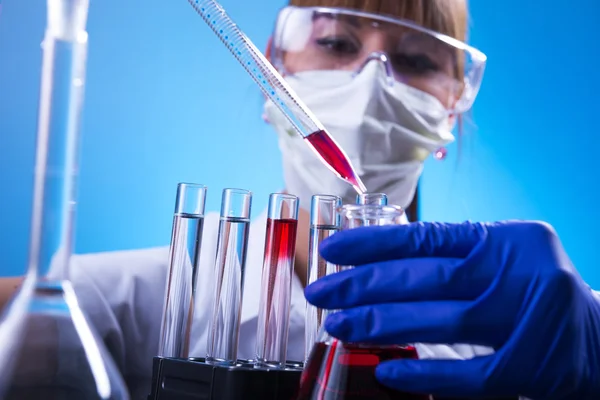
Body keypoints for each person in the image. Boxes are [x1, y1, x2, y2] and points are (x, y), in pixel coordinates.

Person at [1, 0, 599, 399]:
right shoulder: (148, 298)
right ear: (273, 79)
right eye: (337, 43)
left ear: (452, 113)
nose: (371, 83)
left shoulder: (536, 321)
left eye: (415, 61)